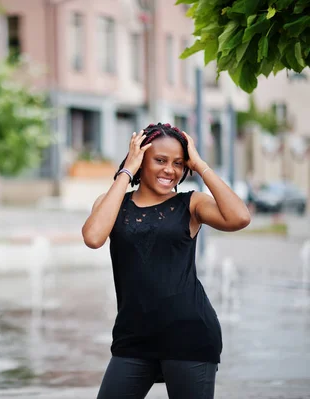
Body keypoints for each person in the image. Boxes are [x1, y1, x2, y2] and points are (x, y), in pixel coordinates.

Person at [81, 123, 251, 399]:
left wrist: (201, 164)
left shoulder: (192, 204)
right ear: (141, 159)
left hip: (189, 335)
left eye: (179, 163)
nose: (170, 170)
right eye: (160, 160)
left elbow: (239, 217)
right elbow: (93, 237)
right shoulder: (111, 202)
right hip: (132, 337)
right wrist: (127, 171)